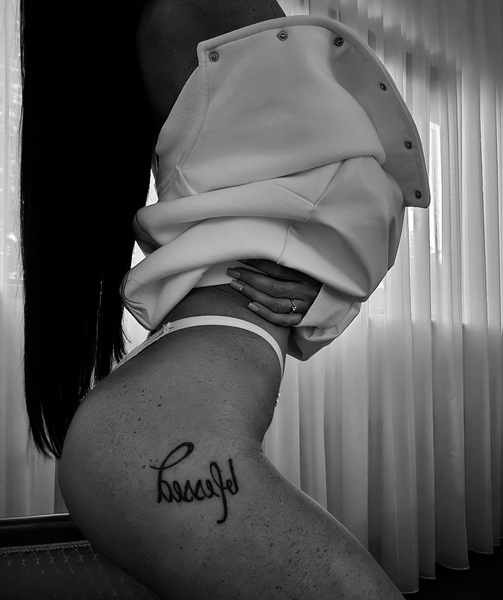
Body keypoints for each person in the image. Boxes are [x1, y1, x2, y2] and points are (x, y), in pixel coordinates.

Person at [19, 1, 428, 598]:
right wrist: (334, 282)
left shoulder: (186, 25)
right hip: (158, 441)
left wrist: (324, 292)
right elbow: (357, 185)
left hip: (156, 418)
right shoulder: (193, 12)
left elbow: (319, 191)